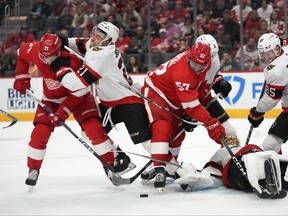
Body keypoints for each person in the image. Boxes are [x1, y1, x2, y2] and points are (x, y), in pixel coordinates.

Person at [13, 33, 133, 188]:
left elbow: (78, 93)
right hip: (51, 99)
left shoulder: (73, 61)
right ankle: (33, 169)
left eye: (50, 57)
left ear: (58, 51)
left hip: (80, 97)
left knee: (94, 130)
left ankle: (110, 166)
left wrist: (63, 112)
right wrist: (21, 77)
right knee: (40, 132)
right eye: (43, 56)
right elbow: (20, 54)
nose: (46, 60)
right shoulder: (36, 50)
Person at [54, 21, 152, 169]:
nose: (93, 38)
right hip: (109, 104)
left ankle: (173, 168)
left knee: (146, 142)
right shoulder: (100, 45)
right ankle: (119, 157)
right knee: (90, 132)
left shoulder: (102, 55)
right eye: (94, 34)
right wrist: (62, 40)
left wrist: (55, 65)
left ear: (107, 41)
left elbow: (76, 85)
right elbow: (81, 43)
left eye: (97, 36)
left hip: (128, 102)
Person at [140, 40, 226, 191]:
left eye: (201, 65)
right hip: (157, 92)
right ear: (190, 57)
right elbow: (191, 107)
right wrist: (209, 121)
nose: (197, 67)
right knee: (163, 127)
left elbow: (200, 88)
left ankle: (168, 165)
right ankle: (161, 168)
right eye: (194, 63)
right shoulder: (183, 72)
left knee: (178, 134)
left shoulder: (207, 64)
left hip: (176, 97)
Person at [175, 136, 288, 199]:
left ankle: (271, 180)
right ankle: (269, 180)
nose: (231, 141)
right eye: (229, 140)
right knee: (254, 164)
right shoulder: (221, 152)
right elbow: (212, 173)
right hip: (241, 164)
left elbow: (211, 173)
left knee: (258, 164)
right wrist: (197, 179)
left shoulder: (241, 147)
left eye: (233, 139)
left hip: (249, 159)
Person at [247, 32, 288, 154]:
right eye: (262, 53)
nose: (264, 56)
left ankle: (279, 172)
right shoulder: (284, 46)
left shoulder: (276, 70)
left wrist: (257, 112)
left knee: (270, 145)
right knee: (271, 144)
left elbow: (271, 99)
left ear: (276, 49)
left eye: (267, 52)